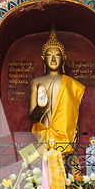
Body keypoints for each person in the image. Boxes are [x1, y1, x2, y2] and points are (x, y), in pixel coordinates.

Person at [29, 26, 85, 154]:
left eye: (57, 55)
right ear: (43, 58)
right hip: (42, 137)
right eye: (49, 55)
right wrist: (40, 106)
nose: (53, 59)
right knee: (39, 170)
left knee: (65, 170)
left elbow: (72, 117)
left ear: (63, 58)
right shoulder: (36, 82)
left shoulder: (72, 85)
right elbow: (33, 118)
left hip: (63, 140)